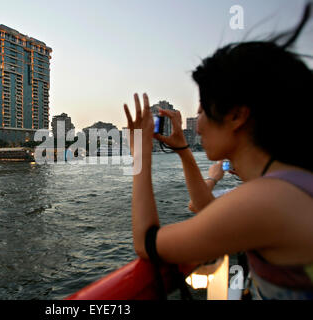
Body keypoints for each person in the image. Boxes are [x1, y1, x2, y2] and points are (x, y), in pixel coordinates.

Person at [123, 4, 313, 300]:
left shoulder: (267, 200)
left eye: (202, 111)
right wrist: (185, 152)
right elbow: (210, 212)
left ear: (237, 115)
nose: (197, 126)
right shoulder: (291, 185)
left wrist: (140, 154)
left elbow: (147, 243)